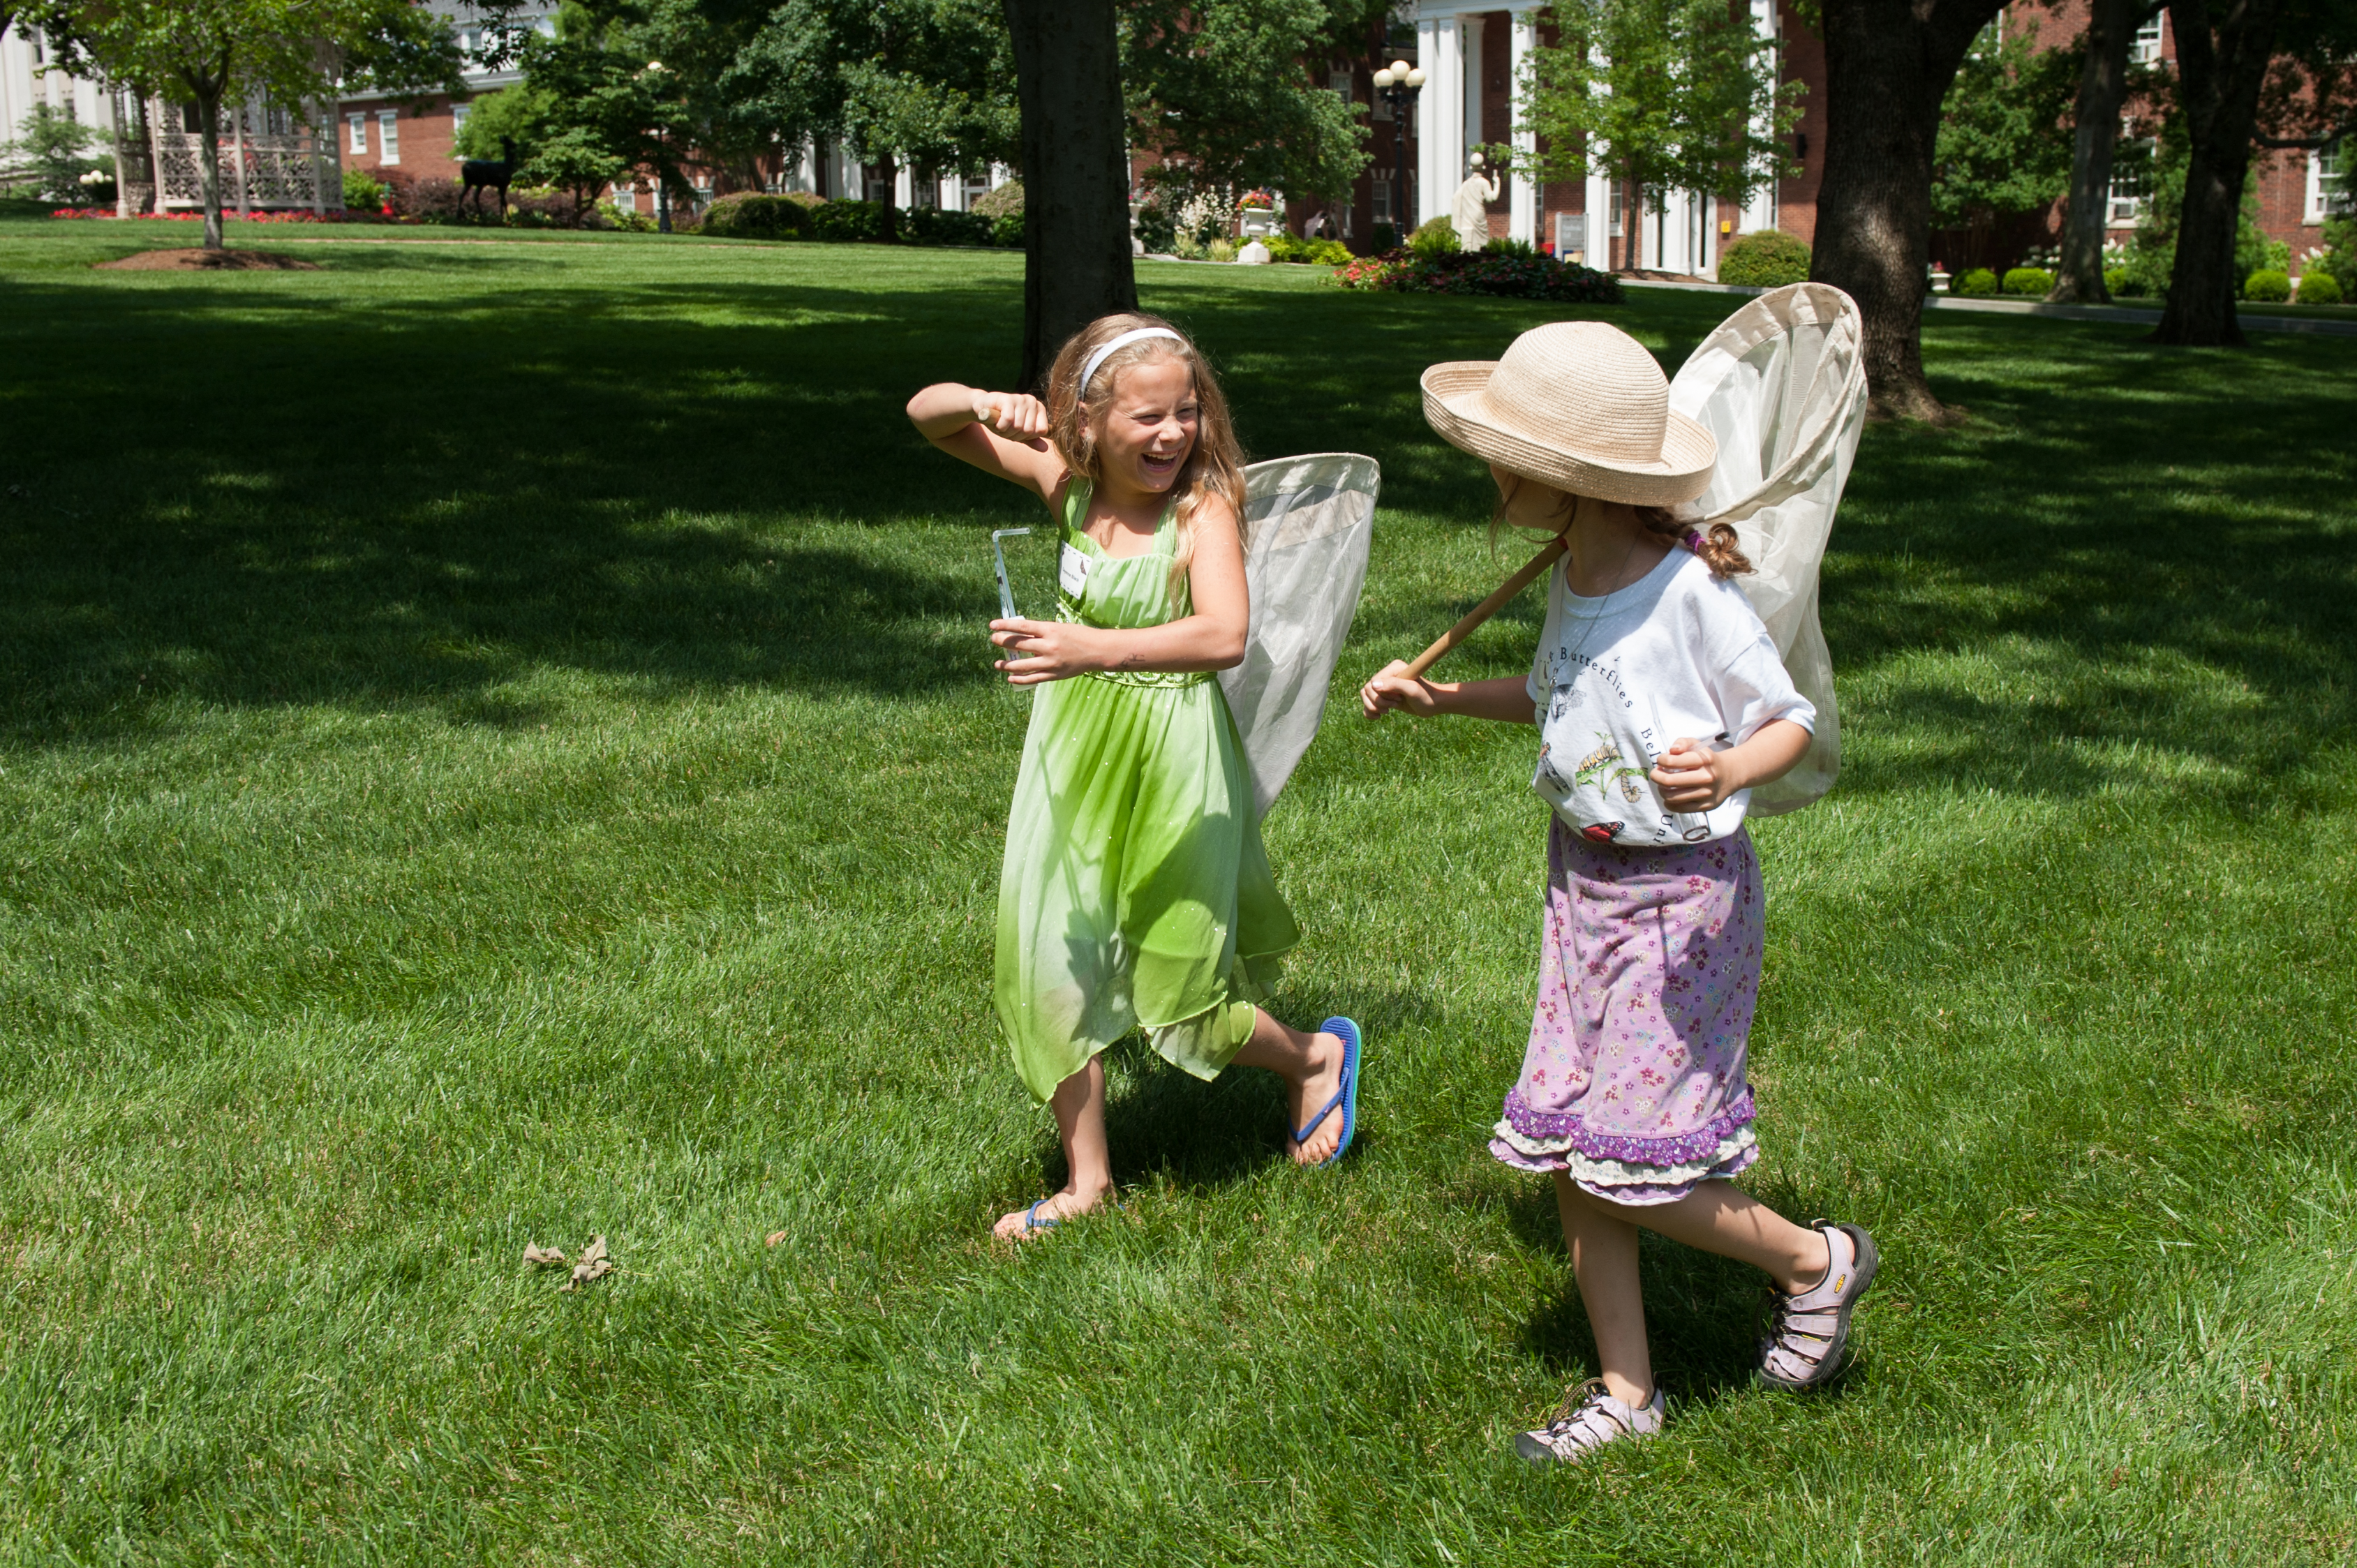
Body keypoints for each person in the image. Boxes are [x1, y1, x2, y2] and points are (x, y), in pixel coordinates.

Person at [1360, 320, 1878, 1461]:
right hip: (1583, 884)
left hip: (1679, 897)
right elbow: (1553, 697)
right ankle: (1627, 1392)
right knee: (1579, 1158)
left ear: (1561, 477)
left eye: (1505, 456)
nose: (1491, 475)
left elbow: (1785, 718)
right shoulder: (1572, 573)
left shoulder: (1686, 590)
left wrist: (1732, 768)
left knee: (1638, 1171)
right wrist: (1439, 700)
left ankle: (1814, 1261)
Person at [906, 313, 1363, 1242]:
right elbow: (928, 417)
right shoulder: (1066, 488)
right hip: (1072, 760)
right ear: (1085, 424)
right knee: (1053, 961)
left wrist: (1090, 647)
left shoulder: (1203, 510)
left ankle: (1314, 1056)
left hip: (1175, 761)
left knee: (1183, 1006)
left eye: (1186, 413)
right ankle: (1087, 1182)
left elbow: (1221, 635)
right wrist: (979, 402)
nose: (1171, 435)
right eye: (1147, 417)